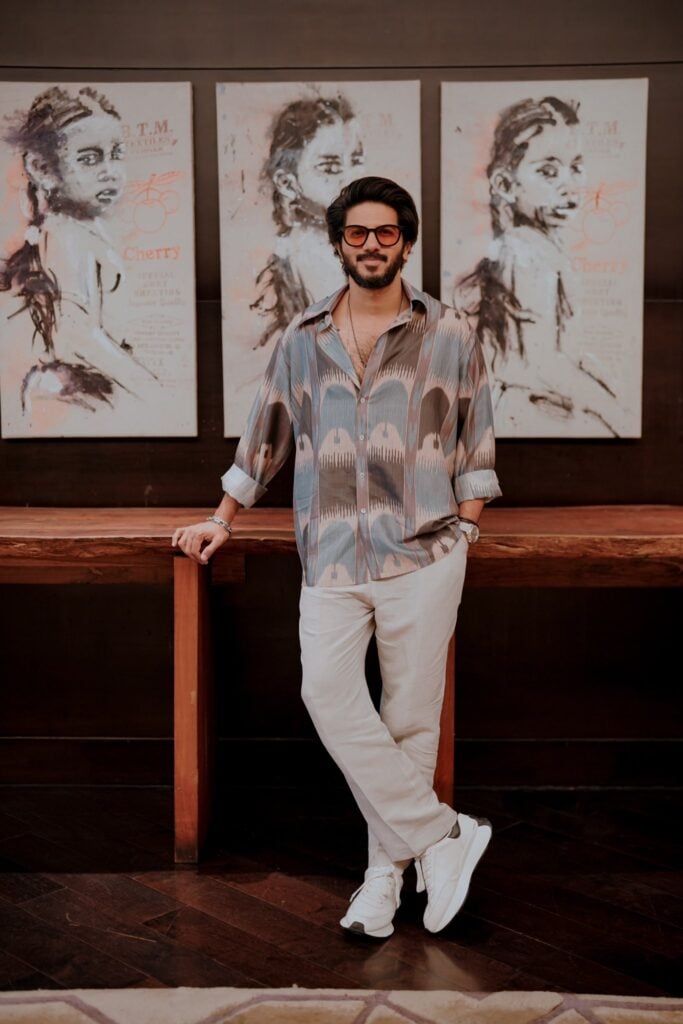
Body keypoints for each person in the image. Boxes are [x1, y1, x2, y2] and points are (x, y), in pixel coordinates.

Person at [173, 176, 502, 939]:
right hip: (329, 555)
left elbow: (476, 441)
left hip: (425, 551)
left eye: (385, 232)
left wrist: (465, 532)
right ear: (338, 243)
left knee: (409, 722)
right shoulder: (302, 337)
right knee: (325, 692)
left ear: (406, 243)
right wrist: (222, 517)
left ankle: (383, 880)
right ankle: (441, 835)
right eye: (357, 233)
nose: (371, 245)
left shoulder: (450, 333)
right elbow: (265, 436)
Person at [454, 96, 621, 436]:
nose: (569, 185)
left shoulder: (542, 247)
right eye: (548, 172)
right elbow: (534, 364)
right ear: (505, 184)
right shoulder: (524, 251)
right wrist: (614, 410)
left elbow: (566, 352)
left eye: (576, 168)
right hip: (525, 407)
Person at [0, 85, 158, 417]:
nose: (110, 172)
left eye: (116, 154)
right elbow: (77, 337)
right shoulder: (66, 234)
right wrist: (153, 390)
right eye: (89, 159)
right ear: (42, 169)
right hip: (77, 393)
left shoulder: (82, 230)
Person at [250, 95, 365, 349]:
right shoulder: (296, 264)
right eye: (330, 168)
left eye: (357, 161)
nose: (352, 180)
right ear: (287, 183)